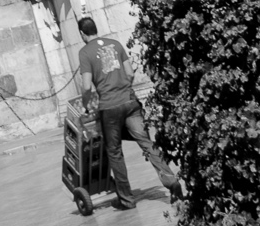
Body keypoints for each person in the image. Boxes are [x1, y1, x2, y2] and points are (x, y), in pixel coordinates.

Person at [76, 14, 183, 211]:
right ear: (96, 29)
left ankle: (126, 199)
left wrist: (86, 105)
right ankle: (171, 181)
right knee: (146, 143)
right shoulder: (115, 44)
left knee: (114, 152)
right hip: (130, 102)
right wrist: (125, 88)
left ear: (82, 34)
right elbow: (131, 72)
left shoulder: (85, 53)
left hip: (109, 108)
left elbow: (86, 87)